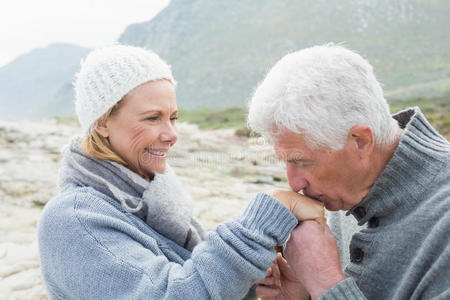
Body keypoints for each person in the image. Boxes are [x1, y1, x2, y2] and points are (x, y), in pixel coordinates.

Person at [37, 44, 325, 299]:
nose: (172, 134)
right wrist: (263, 221)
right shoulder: (73, 219)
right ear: (101, 123)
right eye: (153, 118)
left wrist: (255, 282)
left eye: (173, 117)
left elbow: (193, 278)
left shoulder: (157, 198)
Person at [248, 44, 450, 299]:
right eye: (285, 161)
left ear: (361, 141)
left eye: (302, 161)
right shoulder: (352, 189)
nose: (294, 184)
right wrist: (304, 295)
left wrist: (325, 282)